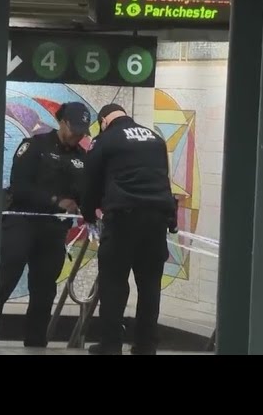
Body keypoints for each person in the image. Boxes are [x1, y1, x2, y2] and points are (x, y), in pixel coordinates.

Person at [81, 103, 177, 355]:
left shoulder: (105, 140)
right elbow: (163, 179)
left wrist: (88, 213)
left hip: (124, 219)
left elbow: (90, 182)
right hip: (157, 220)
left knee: (114, 283)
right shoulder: (155, 139)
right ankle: (146, 345)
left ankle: (111, 345)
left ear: (103, 120)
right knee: (149, 285)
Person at [0, 101, 91, 347]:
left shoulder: (82, 159)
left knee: (44, 289)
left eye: (83, 132)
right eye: (75, 129)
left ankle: (36, 343)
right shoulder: (35, 146)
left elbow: (84, 194)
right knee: (5, 279)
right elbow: (20, 187)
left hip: (53, 231)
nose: (78, 136)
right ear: (62, 122)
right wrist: (55, 201)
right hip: (22, 222)